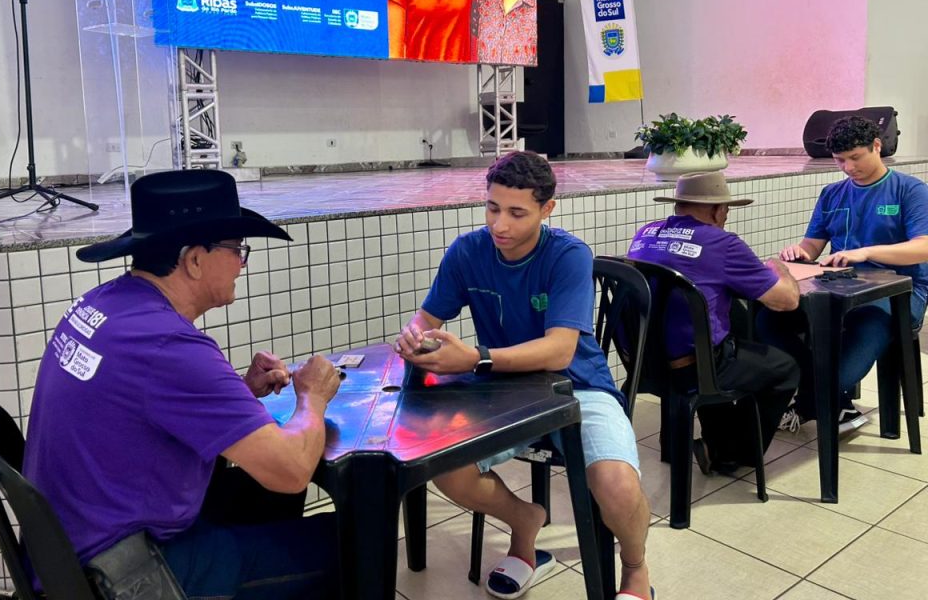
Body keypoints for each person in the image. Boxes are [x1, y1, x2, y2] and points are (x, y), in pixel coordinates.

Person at [23, 169, 342, 600]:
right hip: (123, 574)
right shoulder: (170, 346)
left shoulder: (105, 304)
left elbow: (137, 409)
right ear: (194, 259)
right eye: (236, 250)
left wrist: (238, 390)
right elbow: (291, 471)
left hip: (73, 547)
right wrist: (313, 397)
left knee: (264, 498)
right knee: (351, 539)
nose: (241, 264)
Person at [396, 151, 653, 600]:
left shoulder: (568, 255)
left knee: (615, 484)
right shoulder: (468, 251)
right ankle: (524, 522)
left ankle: (635, 569)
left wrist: (475, 357)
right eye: (492, 208)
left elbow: (560, 350)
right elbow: (426, 320)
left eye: (517, 213)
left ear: (546, 209)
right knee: (446, 468)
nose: (500, 225)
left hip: (579, 387)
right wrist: (416, 340)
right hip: (499, 388)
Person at [626, 171, 801, 474]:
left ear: (678, 205)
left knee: (733, 320)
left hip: (643, 361)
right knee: (784, 370)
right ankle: (731, 452)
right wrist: (780, 268)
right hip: (689, 369)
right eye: (726, 210)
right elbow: (786, 301)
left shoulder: (646, 233)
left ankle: (703, 439)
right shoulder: (723, 244)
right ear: (718, 210)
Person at [772, 114, 928, 432]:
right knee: (768, 317)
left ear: (876, 146)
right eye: (840, 160)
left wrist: (867, 252)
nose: (848, 167)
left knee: (843, 367)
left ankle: (815, 399)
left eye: (855, 157)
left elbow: (923, 247)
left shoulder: (909, 191)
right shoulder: (832, 194)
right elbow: (812, 247)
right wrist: (798, 253)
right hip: (840, 287)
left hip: (898, 293)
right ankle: (831, 401)